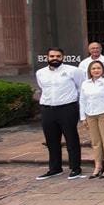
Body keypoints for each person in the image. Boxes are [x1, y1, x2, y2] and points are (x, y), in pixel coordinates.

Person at [35, 48, 85, 180]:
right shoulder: (40, 73)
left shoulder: (73, 71)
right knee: (51, 140)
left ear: (63, 57)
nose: (54, 58)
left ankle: (75, 168)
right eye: (52, 56)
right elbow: (42, 88)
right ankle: (55, 168)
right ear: (47, 57)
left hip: (67, 109)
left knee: (71, 139)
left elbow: (81, 88)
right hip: (47, 109)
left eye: (58, 56)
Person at [79, 61, 104, 178]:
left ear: (103, 70)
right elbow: (82, 101)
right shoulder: (85, 83)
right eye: (93, 68)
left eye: (98, 68)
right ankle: (98, 165)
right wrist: (83, 117)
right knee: (95, 142)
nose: (96, 70)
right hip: (90, 114)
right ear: (90, 71)